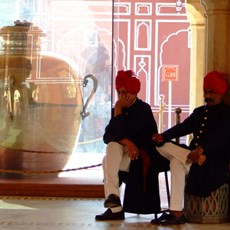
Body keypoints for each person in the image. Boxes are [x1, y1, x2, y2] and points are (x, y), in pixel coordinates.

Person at [151, 70, 230, 225]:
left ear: (221, 93)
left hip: (212, 163)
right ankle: (177, 213)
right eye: (206, 92)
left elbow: (219, 136)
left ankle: (176, 212)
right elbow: (183, 127)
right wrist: (163, 135)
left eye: (211, 92)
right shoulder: (199, 112)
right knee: (160, 146)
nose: (207, 96)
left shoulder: (227, 113)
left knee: (175, 161)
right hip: (195, 159)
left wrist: (201, 149)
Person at [95, 70, 169, 221]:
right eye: (119, 92)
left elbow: (132, 132)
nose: (121, 96)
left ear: (133, 93)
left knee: (106, 160)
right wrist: (126, 141)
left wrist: (123, 132)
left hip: (139, 157)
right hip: (123, 154)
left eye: (125, 92)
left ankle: (114, 208)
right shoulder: (117, 110)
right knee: (112, 147)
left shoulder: (143, 109)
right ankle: (113, 198)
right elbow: (107, 136)